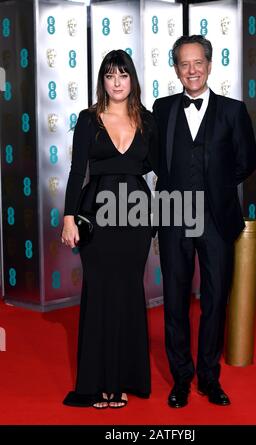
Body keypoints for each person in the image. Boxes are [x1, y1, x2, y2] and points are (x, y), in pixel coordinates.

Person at [153, 35, 256, 408]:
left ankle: (209, 378)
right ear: (176, 69)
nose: (192, 70)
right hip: (173, 216)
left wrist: (216, 189)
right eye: (184, 64)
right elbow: (155, 159)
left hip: (216, 219)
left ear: (210, 65)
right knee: (176, 301)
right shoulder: (162, 109)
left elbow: (245, 162)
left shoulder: (233, 110)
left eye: (198, 63)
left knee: (215, 300)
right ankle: (182, 377)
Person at [62, 49, 158, 409]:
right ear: (102, 81)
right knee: (100, 292)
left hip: (136, 217)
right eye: (109, 76)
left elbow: (160, 168)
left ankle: (123, 380)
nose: (116, 83)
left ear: (132, 79)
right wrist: (69, 217)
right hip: (97, 215)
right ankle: (97, 382)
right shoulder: (89, 120)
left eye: (123, 75)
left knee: (130, 292)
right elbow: (76, 171)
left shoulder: (149, 121)